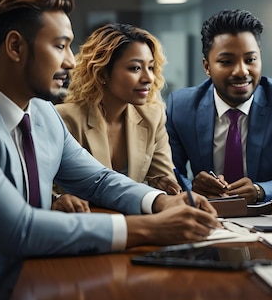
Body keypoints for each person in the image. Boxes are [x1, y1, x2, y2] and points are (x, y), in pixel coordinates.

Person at [0, 0, 219, 300]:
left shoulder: (42, 112)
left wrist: (160, 202)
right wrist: (150, 228)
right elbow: (20, 229)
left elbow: (98, 179)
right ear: (15, 47)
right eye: (60, 46)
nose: (71, 61)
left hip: (37, 285)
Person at [166, 9, 272, 204]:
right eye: (226, 62)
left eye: (250, 60)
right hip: (205, 213)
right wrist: (194, 189)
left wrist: (260, 190)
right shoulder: (181, 106)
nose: (241, 71)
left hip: (266, 214)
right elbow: (169, 174)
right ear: (207, 67)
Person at [54, 23, 180, 212]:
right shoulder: (64, 118)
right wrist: (57, 199)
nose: (149, 78)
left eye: (151, 67)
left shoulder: (152, 117)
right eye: (136, 68)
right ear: (103, 72)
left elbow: (165, 182)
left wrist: (167, 187)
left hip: (138, 224)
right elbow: (46, 189)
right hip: (83, 224)